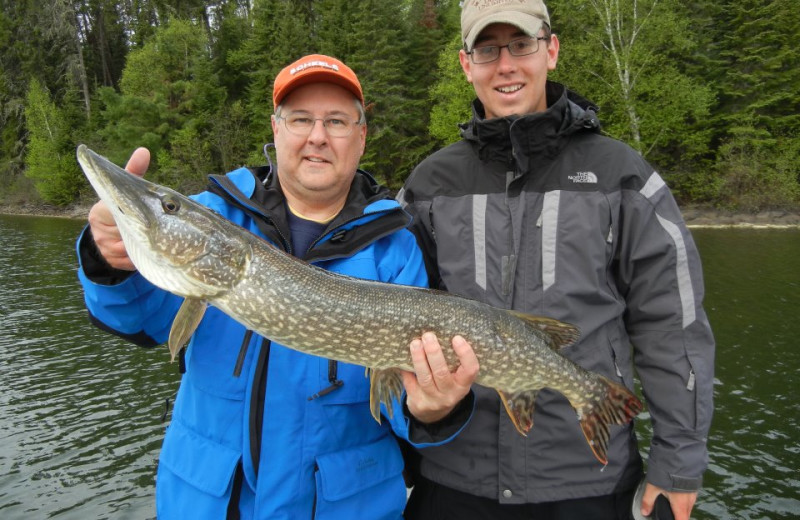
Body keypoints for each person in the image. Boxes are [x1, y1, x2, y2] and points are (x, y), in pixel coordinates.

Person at [76, 54, 479, 519]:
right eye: (300, 119)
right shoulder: (215, 213)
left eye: (337, 121)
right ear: (275, 129)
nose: (317, 136)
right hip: (211, 502)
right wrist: (108, 260)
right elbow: (138, 320)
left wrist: (431, 411)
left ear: (361, 136)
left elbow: (398, 400)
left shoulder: (395, 249)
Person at [397, 2, 715, 520]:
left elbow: (672, 326)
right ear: (466, 63)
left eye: (521, 45)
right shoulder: (430, 184)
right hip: (454, 479)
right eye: (488, 49)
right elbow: (398, 315)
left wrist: (679, 457)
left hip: (588, 481)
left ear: (551, 49)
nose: (506, 65)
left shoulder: (621, 175)